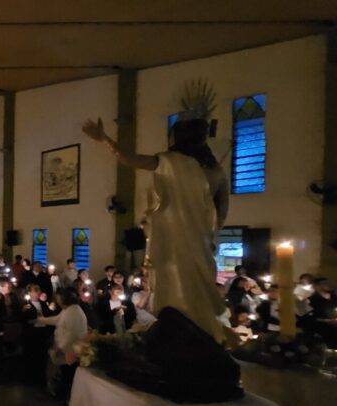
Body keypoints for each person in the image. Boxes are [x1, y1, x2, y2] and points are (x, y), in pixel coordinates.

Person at [84, 116, 229, 342]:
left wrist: (104, 139)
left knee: (173, 284)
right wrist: (206, 233)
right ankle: (201, 335)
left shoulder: (172, 161)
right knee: (197, 289)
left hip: (174, 238)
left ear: (178, 138)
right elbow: (222, 209)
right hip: (200, 242)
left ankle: (179, 335)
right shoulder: (216, 170)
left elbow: (128, 158)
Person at [49, 288, 89, 398]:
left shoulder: (73, 312)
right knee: (65, 372)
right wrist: (39, 320)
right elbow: (57, 319)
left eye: (58, 298)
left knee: (68, 374)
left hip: (70, 349)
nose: (57, 301)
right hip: (68, 348)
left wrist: (59, 348)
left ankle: (66, 396)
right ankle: (62, 394)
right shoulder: (68, 310)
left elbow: (71, 335)